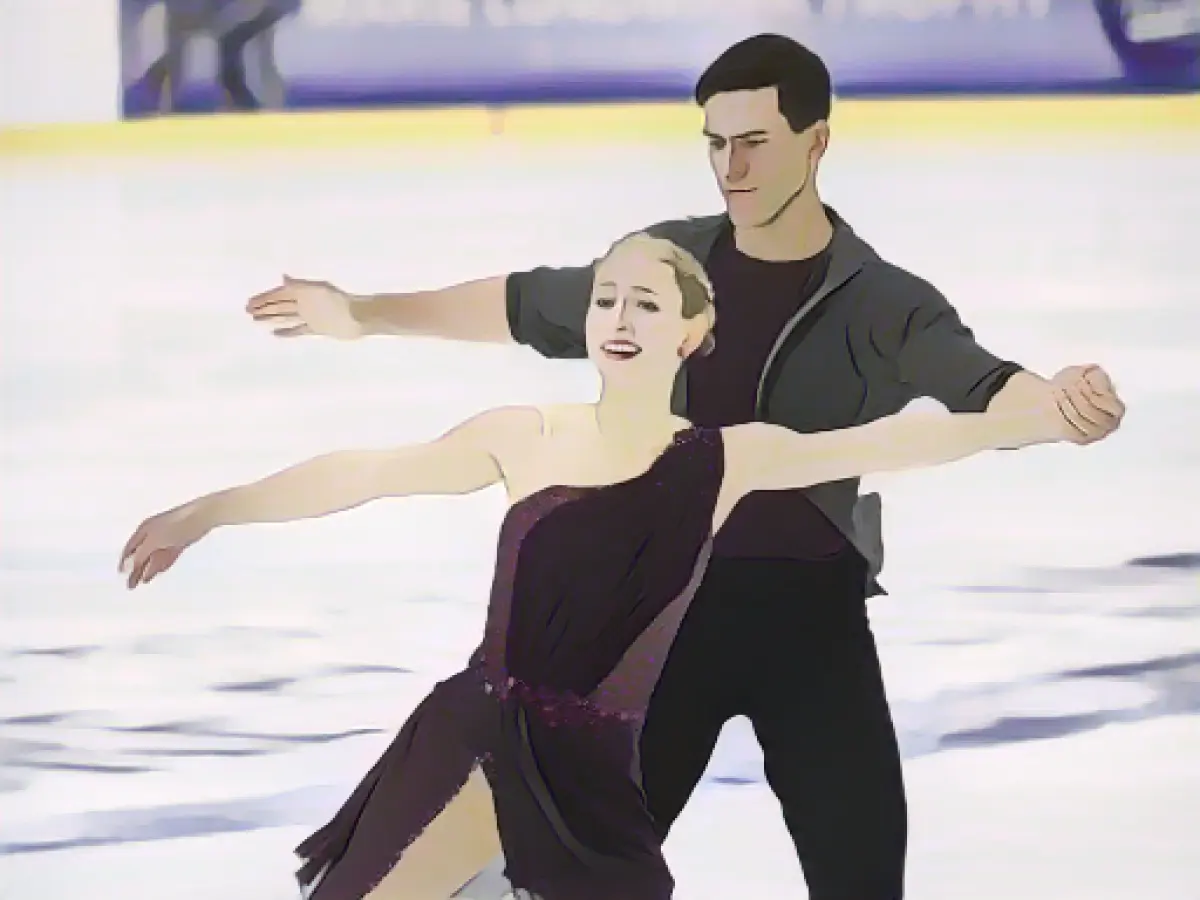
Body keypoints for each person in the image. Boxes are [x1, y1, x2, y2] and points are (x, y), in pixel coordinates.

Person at [242, 35, 1126, 899]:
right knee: (554, 875)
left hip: (810, 628)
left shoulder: (880, 300)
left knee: (860, 872)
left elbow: (980, 388)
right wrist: (365, 312)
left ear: (816, 142)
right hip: (657, 628)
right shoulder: (670, 266)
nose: (731, 168)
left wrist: (1058, 406)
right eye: (716, 145)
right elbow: (525, 304)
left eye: (754, 144)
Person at [125, 233, 1079, 900]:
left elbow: (897, 442)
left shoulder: (724, 459)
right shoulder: (526, 437)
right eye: (605, 299)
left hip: (596, 773)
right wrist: (208, 511)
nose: (619, 316)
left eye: (647, 302)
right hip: (484, 745)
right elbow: (366, 475)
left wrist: (1028, 418)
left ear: (691, 332)